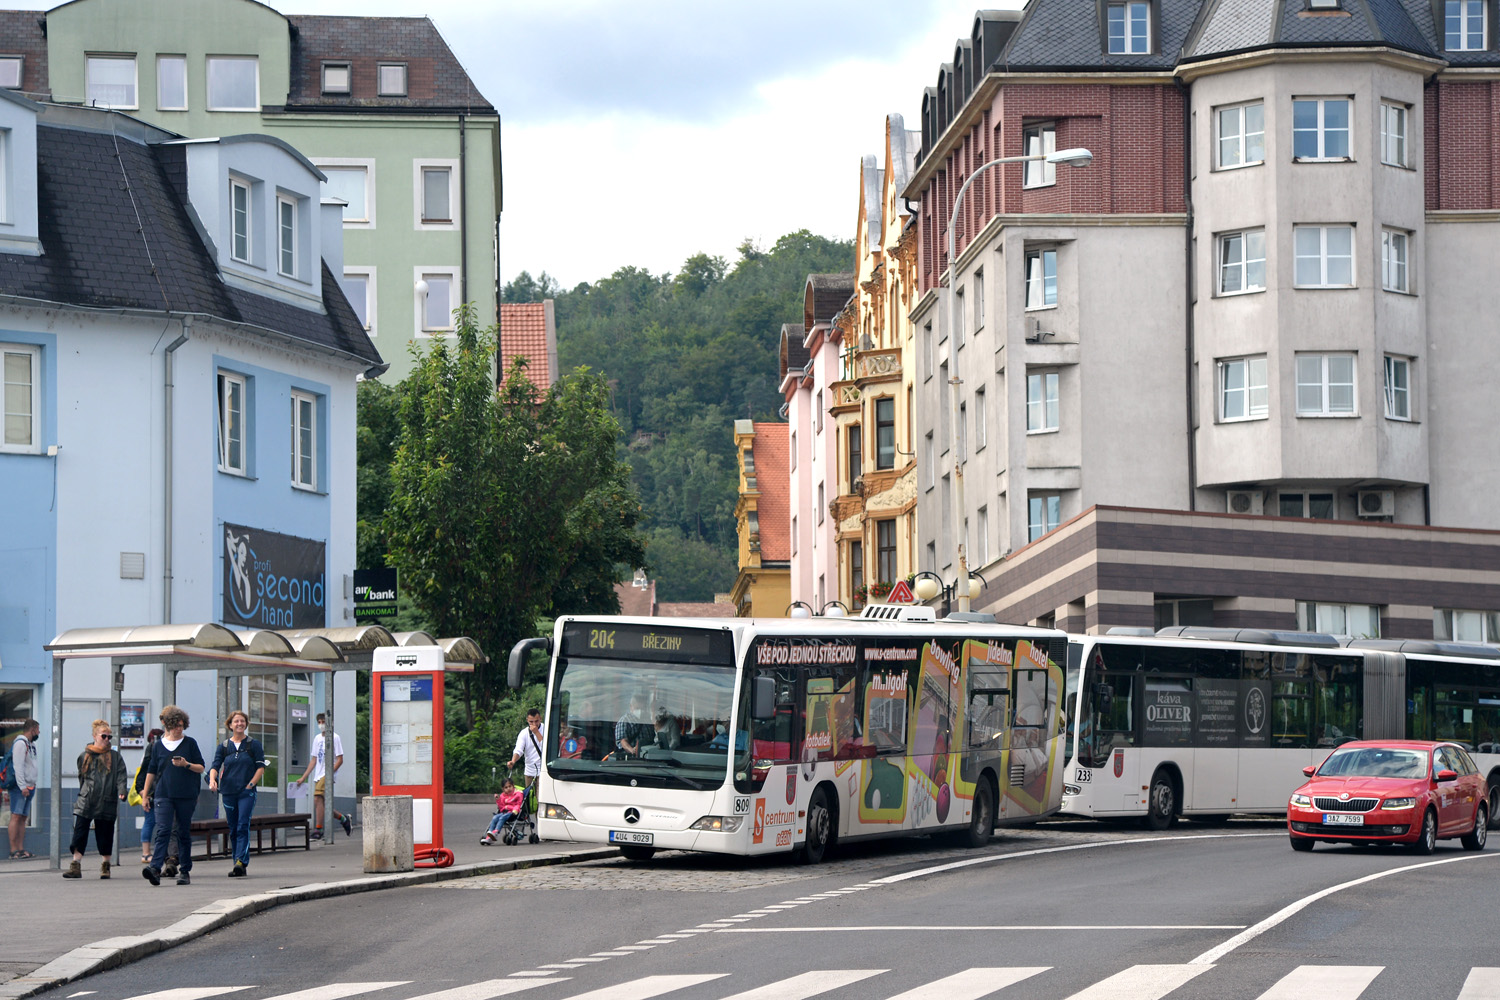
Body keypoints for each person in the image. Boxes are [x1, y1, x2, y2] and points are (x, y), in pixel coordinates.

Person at [141, 705, 205, 886]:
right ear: (168, 725)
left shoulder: (190, 743)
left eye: (182, 725)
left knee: (183, 832)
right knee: (163, 830)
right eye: (176, 725)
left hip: (186, 795)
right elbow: (151, 771)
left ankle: (184, 870)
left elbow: (201, 767)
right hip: (163, 794)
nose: (179, 728)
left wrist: (186, 764)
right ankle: (154, 868)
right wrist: (145, 795)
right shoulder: (158, 746)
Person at [64, 720, 128, 879]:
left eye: (109, 737)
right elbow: (82, 777)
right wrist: (84, 793)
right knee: (80, 831)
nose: (107, 740)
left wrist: (121, 791)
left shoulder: (115, 757)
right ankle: (75, 865)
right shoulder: (84, 756)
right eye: (104, 736)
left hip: (107, 799)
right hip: (87, 799)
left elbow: (121, 775)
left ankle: (106, 865)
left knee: (105, 833)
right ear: (94, 736)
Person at [208, 710, 266, 878]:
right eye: (236, 721)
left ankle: (241, 861)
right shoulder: (224, 746)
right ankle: (237, 863)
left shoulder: (253, 744)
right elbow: (215, 765)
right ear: (230, 725)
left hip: (246, 792)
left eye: (242, 721)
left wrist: (250, 785)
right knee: (233, 828)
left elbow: (260, 767)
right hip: (228, 792)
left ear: (246, 724)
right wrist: (213, 780)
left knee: (242, 825)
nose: (239, 724)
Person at [293, 713, 351, 840]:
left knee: (317, 798)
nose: (321, 724)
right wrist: (304, 777)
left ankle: (318, 829)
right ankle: (343, 819)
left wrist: (330, 774)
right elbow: (314, 760)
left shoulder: (335, 737)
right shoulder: (317, 739)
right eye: (319, 722)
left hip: (327, 774)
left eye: (323, 721)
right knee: (322, 803)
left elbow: (340, 759)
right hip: (318, 775)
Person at [129, 728, 165, 865]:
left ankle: (147, 853)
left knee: (151, 822)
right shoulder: (151, 752)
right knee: (152, 822)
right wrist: (144, 792)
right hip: (151, 792)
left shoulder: (148, 752)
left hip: (150, 792)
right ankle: (146, 853)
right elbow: (144, 774)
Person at [6, 718, 40, 859]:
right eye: (38, 730)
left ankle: (20, 849)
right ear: (32, 729)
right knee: (16, 815)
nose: (39, 732)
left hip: (30, 785)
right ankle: (14, 850)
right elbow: (18, 766)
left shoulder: (31, 745)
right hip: (20, 787)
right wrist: (22, 786)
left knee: (23, 817)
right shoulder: (20, 744)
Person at [508, 709, 545, 818]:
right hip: (529, 771)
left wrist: (537, 733)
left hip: (543, 772)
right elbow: (518, 750)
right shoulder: (524, 733)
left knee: (540, 801)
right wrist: (513, 761)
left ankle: (540, 830)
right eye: (531, 722)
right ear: (527, 720)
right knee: (529, 802)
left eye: (536, 721)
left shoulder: (546, 729)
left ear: (540, 719)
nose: (534, 724)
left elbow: (546, 748)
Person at [480, 778, 525, 845]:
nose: (508, 789)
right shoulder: (503, 796)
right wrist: (498, 800)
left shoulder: (518, 794)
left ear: (513, 786)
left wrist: (515, 810)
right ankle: (490, 833)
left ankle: (496, 832)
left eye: (510, 786)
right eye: (506, 787)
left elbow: (518, 804)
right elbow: (501, 808)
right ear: (503, 789)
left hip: (512, 812)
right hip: (505, 811)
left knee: (502, 818)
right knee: (495, 817)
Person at [614, 692, 651, 757]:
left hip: (647, 756)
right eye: (637, 708)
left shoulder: (647, 720)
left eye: (642, 709)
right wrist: (632, 751)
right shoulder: (624, 721)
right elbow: (623, 741)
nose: (640, 711)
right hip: (630, 758)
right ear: (631, 707)